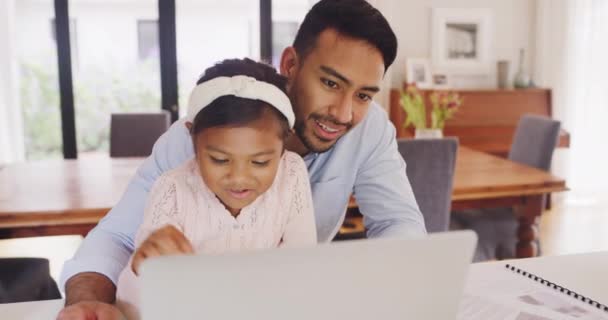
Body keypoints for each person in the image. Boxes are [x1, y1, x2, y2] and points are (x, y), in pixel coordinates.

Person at [57, 0, 426, 319]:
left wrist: (387, 291)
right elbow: (118, 235)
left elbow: (398, 222)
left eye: (363, 95)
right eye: (331, 84)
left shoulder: (370, 128)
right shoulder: (211, 131)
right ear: (291, 64)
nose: (344, 113)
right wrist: (90, 304)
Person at [113, 58, 317, 320]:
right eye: (220, 160)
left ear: (284, 141)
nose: (239, 178)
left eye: (260, 162)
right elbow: (135, 303)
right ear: (192, 137)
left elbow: (302, 267)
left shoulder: (291, 173)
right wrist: (144, 267)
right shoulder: (172, 191)